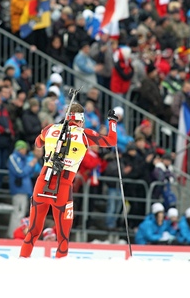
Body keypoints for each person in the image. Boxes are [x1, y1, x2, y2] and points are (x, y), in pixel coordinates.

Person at [20, 103, 118, 258]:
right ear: (80, 120)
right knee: (63, 236)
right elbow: (112, 141)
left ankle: (22, 260)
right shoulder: (84, 134)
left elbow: (38, 142)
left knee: (33, 231)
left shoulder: (51, 128)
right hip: (63, 186)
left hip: (42, 182)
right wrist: (112, 122)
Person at [7, 140, 36, 237]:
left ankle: (18, 235)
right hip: (18, 189)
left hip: (24, 190)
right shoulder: (13, 158)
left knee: (21, 213)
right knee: (18, 213)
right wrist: (30, 166)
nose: (25, 151)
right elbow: (20, 172)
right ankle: (13, 235)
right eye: (24, 149)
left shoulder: (23, 159)